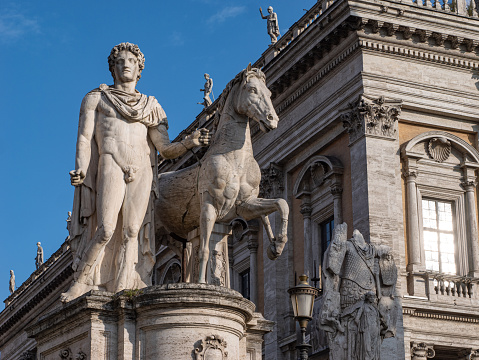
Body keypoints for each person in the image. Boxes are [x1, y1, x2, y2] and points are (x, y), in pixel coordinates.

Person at [61, 42, 210, 302]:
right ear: (112, 68)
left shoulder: (151, 106)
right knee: (106, 228)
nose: (125, 65)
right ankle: (82, 280)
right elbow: (84, 138)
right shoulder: (96, 98)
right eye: (120, 61)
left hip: (142, 170)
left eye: (131, 61)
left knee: (133, 231)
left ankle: (124, 285)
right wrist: (81, 168)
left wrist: (189, 142)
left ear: (139, 68)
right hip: (111, 162)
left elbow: (164, 149)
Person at [320, 224, 397, 360]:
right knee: (352, 328)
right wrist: (338, 240)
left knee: (370, 331)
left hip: (368, 296)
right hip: (350, 294)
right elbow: (334, 265)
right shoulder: (348, 245)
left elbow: (386, 251)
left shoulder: (371, 250)